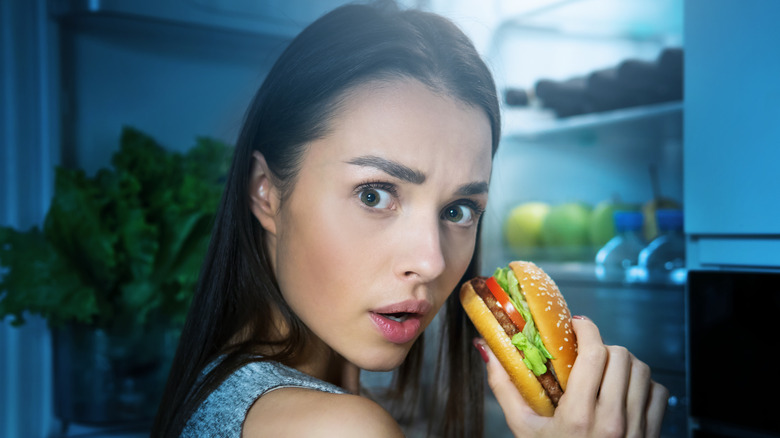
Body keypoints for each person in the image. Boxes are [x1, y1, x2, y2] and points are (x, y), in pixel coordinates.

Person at [152, 2, 669, 437]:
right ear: (265, 192)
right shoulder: (339, 428)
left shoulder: (224, 380)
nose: (431, 260)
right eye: (374, 195)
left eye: (459, 210)